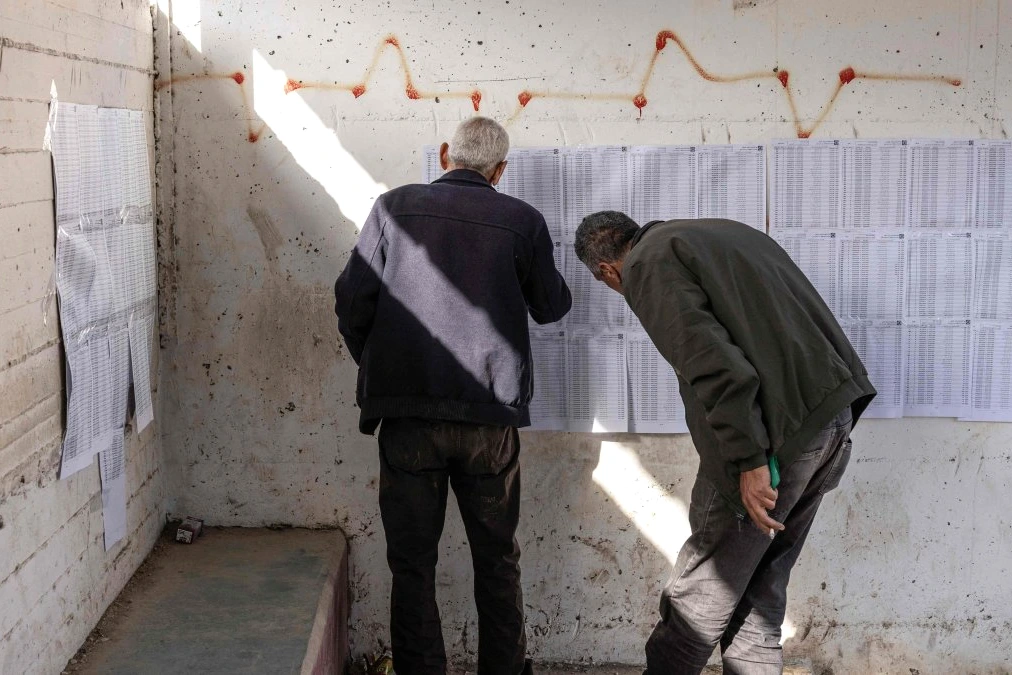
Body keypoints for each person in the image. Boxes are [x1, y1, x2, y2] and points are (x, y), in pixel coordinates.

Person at [573, 211, 876, 675]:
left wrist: (750, 461)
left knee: (701, 594)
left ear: (607, 271)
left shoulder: (647, 265)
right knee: (761, 592)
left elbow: (714, 365)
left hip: (772, 440)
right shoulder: (716, 233)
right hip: (827, 419)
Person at [335, 117, 571, 675]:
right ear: (500, 170)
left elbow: (351, 302)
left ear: (445, 155)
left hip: (408, 418)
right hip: (489, 422)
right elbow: (552, 306)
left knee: (412, 563)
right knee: (497, 560)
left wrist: (384, 369)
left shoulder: (393, 208)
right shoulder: (522, 221)